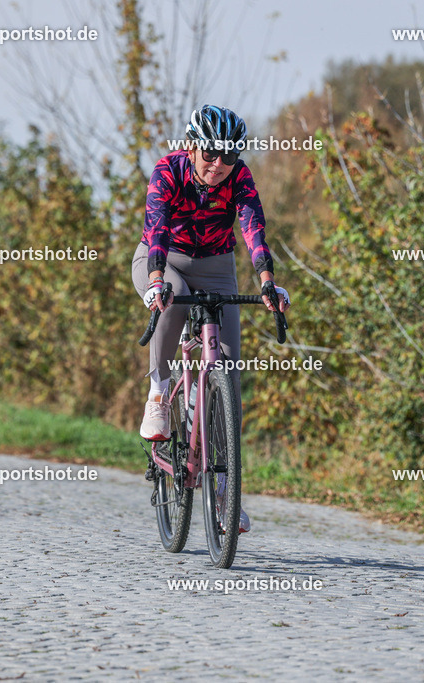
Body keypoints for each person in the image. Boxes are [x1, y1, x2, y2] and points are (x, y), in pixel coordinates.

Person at [130, 104, 291, 533]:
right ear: (191, 147)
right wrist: (157, 277)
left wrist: (267, 280)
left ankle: (225, 494)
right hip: (163, 260)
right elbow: (158, 225)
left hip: (217, 265)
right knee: (175, 298)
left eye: (229, 156)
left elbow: (252, 227)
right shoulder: (168, 171)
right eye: (210, 154)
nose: (219, 165)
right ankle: (159, 394)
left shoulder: (238, 177)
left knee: (230, 378)